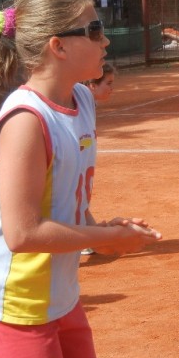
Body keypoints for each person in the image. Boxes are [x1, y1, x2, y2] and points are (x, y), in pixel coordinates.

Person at [0, 0, 161, 358]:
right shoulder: (26, 120)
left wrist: (100, 227)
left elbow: (68, 196)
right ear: (58, 45)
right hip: (16, 302)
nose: (105, 40)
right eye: (94, 30)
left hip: (61, 294)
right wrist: (107, 240)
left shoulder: (82, 100)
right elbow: (22, 234)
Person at [80, 64, 117, 255]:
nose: (112, 88)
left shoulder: (88, 102)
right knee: (75, 202)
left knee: (80, 201)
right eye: (108, 83)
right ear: (92, 86)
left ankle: (90, 239)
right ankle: (88, 240)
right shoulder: (78, 101)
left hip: (82, 159)